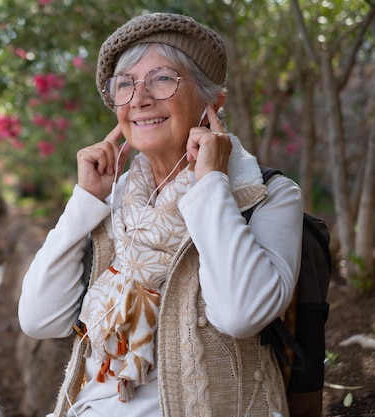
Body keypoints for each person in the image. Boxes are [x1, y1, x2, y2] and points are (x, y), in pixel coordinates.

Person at [18, 12, 303, 417]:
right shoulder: (113, 202)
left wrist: (210, 185)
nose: (139, 98)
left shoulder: (267, 195)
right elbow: (39, 319)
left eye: (163, 79)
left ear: (212, 101)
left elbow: (242, 314)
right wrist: (84, 201)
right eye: (125, 84)